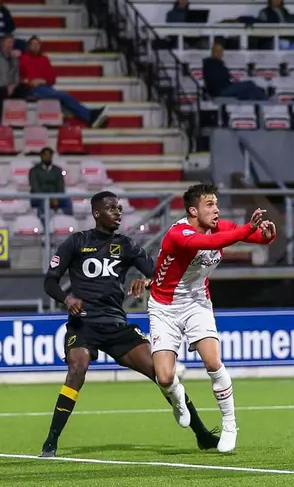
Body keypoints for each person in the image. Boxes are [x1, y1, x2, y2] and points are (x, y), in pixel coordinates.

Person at [39, 191, 220, 457]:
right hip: (84, 324)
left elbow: (160, 274)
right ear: (96, 213)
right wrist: (67, 299)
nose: (118, 212)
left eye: (120, 208)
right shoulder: (76, 242)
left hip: (116, 325)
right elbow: (50, 281)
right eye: (111, 208)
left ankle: (202, 434)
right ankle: (51, 442)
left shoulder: (126, 245)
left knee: (161, 374)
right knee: (77, 369)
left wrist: (147, 281)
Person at [148, 184, 276, 454]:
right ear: (193, 210)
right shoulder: (178, 234)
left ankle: (230, 424)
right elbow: (212, 243)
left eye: (216, 204)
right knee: (164, 377)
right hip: (164, 307)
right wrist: (247, 229)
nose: (216, 209)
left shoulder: (219, 226)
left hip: (197, 303)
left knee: (212, 361)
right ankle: (176, 395)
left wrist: (265, 236)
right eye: (209, 204)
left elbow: (251, 238)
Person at [20, 36, 107, 127]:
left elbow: (52, 79)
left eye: (37, 44)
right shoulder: (23, 59)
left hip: (46, 87)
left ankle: (90, 118)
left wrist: (43, 81)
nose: (35, 46)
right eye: (32, 44)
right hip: (32, 89)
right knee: (65, 96)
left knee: (63, 100)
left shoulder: (44, 59)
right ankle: (90, 115)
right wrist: (30, 81)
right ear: (28, 46)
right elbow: (18, 78)